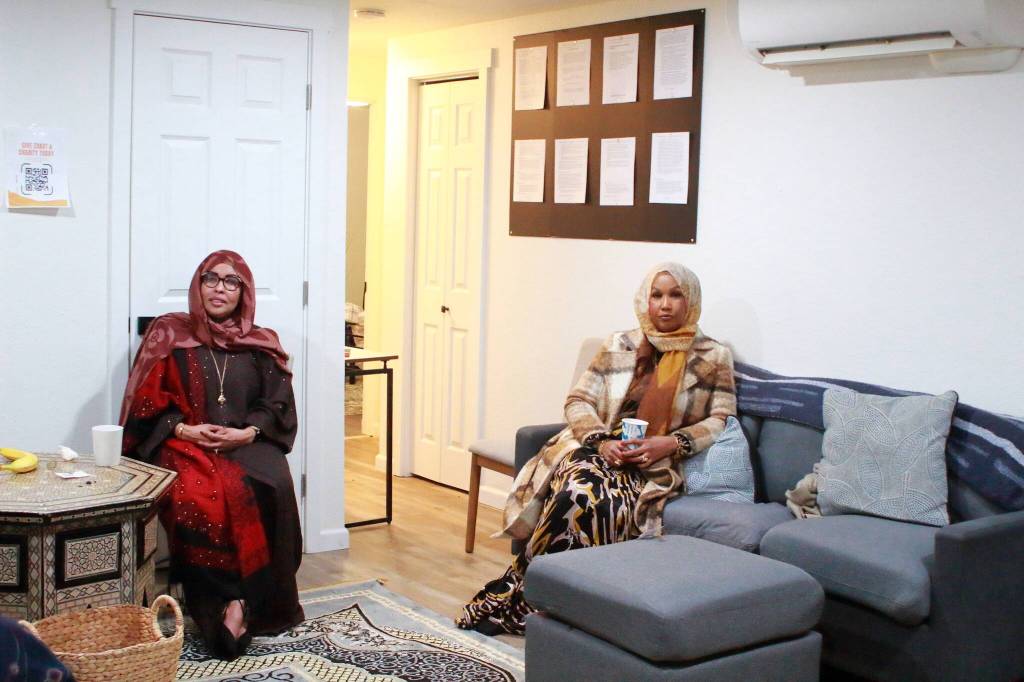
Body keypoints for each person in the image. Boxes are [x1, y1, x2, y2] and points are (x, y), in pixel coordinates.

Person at [457, 262, 736, 635]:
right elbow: (577, 401)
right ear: (645, 300)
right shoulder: (619, 344)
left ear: (692, 301)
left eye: (675, 295)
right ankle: (530, 594)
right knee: (578, 489)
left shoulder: (713, 356)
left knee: (606, 505)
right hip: (597, 449)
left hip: (654, 463)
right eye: (657, 295)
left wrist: (670, 443)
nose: (665, 305)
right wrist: (601, 441)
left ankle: (572, 604)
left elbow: (721, 419)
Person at [119, 250, 304, 660]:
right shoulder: (169, 334)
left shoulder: (261, 342)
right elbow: (145, 407)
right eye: (211, 279)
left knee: (271, 481)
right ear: (197, 285)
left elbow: (276, 403)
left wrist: (246, 433)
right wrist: (184, 428)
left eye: (231, 281)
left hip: (245, 441)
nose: (220, 288)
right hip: (183, 442)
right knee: (196, 495)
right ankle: (218, 602)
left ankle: (246, 601)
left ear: (244, 292)